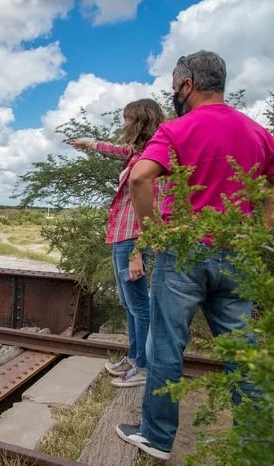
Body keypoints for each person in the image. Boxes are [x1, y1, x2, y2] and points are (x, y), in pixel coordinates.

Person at [116, 50, 274, 460]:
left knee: (166, 346)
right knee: (242, 350)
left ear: (187, 84)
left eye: (176, 85)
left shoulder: (178, 129)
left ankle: (157, 437)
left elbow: (141, 177)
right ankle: (258, 440)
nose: (174, 93)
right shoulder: (256, 131)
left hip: (186, 251)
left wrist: (152, 233)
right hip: (237, 252)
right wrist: (256, 230)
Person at [70, 98, 165, 388]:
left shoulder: (155, 156)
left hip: (133, 237)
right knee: (128, 301)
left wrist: (139, 249)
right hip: (121, 234)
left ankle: (144, 365)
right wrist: (91, 144)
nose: (123, 124)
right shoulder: (139, 152)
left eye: (127, 119)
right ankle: (135, 357)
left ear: (139, 121)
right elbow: (120, 150)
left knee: (139, 304)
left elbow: (153, 202)